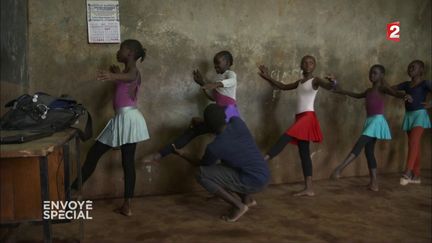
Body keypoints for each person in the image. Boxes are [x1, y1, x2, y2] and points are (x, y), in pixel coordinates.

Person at [71, 39, 150, 216]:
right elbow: (125, 80)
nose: (118, 52)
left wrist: (113, 76)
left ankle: (126, 205)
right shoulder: (125, 73)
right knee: (95, 154)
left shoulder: (134, 72)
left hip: (129, 119)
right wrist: (116, 76)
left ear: (129, 53)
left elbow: (130, 77)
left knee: (126, 161)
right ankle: (74, 191)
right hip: (122, 119)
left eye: (121, 49)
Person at [172, 104, 270, 222]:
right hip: (264, 175)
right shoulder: (238, 123)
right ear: (224, 118)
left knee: (201, 174)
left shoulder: (215, 147)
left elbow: (202, 165)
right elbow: (229, 112)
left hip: (252, 182)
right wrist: (206, 121)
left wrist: (183, 154)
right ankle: (248, 200)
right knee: (228, 163)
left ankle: (238, 206)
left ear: (208, 126)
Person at [257, 55, 335, 197]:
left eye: (311, 62)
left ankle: (263, 160)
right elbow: (282, 86)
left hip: (308, 117)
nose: (307, 64)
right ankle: (309, 188)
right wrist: (267, 77)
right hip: (299, 117)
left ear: (314, 66)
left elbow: (329, 86)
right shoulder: (299, 82)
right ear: (301, 65)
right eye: (304, 62)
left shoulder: (315, 80)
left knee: (286, 136)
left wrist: (333, 82)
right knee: (304, 153)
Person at [145, 51, 239, 162]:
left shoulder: (230, 74)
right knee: (194, 130)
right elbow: (213, 98)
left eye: (218, 63)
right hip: (220, 116)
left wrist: (214, 85)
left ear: (227, 62)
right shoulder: (220, 81)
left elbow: (232, 81)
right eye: (214, 64)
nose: (215, 66)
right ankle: (160, 154)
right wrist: (202, 83)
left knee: (225, 144)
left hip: (229, 114)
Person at [329, 64, 411, 191]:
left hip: (377, 121)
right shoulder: (368, 91)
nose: (372, 75)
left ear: (381, 75)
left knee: (360, 143)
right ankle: (374, 183)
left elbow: (395, 93)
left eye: (375, 73)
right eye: (371, 73)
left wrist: (404, 96)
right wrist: (336, 85)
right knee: (368, 151)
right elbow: (354, 94)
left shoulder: (383, 89)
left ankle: (340, 169)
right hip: (369, 121)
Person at [392, 60, 432, 185]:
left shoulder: (425, 83)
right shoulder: (406, 84)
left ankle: (408, 171)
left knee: (414, 142)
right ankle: (417, 175)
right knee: (413, 144)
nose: (410, 69)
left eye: (413, 67)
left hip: (420, 115)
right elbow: (391, 89)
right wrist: (401, 95)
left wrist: (431, 103)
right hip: (409, 116)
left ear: (421, 70)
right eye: (409, 67)